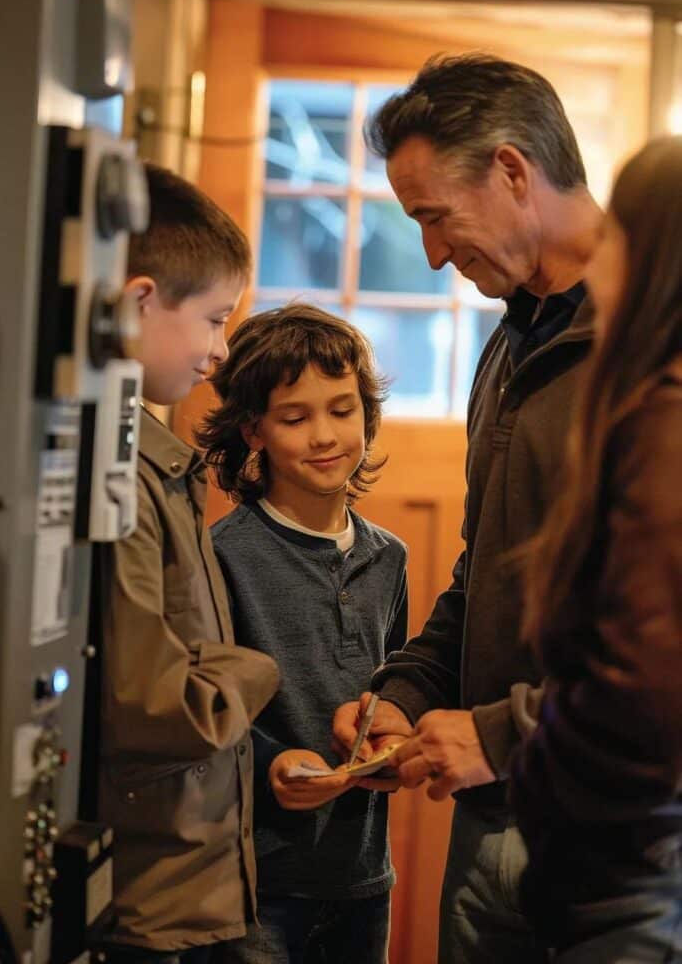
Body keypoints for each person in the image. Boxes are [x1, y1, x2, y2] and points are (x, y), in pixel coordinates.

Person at [332, 53, 602, 964]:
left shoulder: (654, 341)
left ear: (512, 171)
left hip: (619, 847)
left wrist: (498, 733)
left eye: (433, 216)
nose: (433, 255)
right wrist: (404, 692)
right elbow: (485, 570)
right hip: (490, 826)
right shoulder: (511, 342)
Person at [96, 165, 280, 962]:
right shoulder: (124, 474)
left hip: (179, 883)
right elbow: (162, 703)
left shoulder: (156, 458)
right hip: (147, 894)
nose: (220, 349)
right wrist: (255, 669)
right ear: (140, 302)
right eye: (212, 318)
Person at [511, 136, 682, 962]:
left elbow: (650, 682)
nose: (595, 249)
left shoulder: (664, 425)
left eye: (613, 232)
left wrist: (544, 768)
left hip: (635, 863)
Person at [197, 303, 409, 964]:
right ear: (253, 431)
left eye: (342, 410)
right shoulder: (223, 556)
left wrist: (393, 743)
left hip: (362, 877)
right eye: (295, 418)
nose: (324, 436)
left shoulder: (389, 558)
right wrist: (271, 763)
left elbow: (392, 687)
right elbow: (203, 709)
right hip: (254, 883)